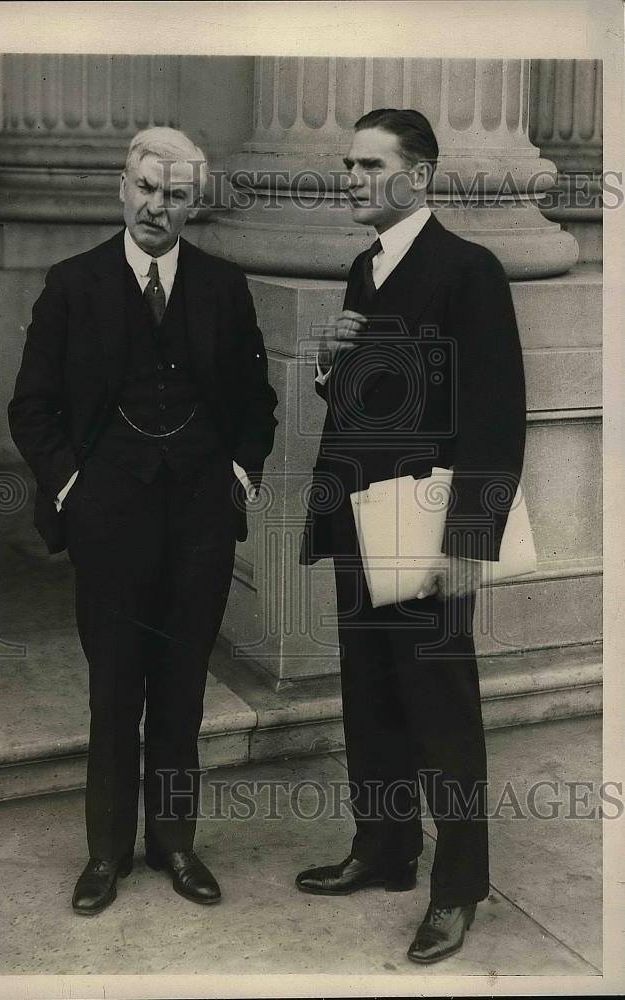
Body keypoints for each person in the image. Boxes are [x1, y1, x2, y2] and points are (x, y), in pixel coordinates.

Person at [8, 127, 277, 915]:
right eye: (146, 188)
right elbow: (32, 407)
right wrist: (74, 489)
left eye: (175, 195)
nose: (157, 206)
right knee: (115, 690)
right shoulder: (72, 284)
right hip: (108, 520)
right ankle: (106, 853)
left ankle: (175, 843)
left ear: (195, 205)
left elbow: (255, 402)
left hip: (198, 520)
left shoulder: (223, 286)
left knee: (183, 688)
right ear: (122, 188)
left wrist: (237, 474)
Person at [297, 109, 526, 963]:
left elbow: (496, 415)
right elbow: (367, 402)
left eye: (369, 165)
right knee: (370, 695)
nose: (351, 179)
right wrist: (330, 362)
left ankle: (457, 888)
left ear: (419, 175)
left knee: (441, 714)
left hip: (425, 530)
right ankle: (384, 849)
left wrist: (468, 541)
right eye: (348, 165)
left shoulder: (468, 271)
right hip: (359, 520)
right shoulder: (365, 268)